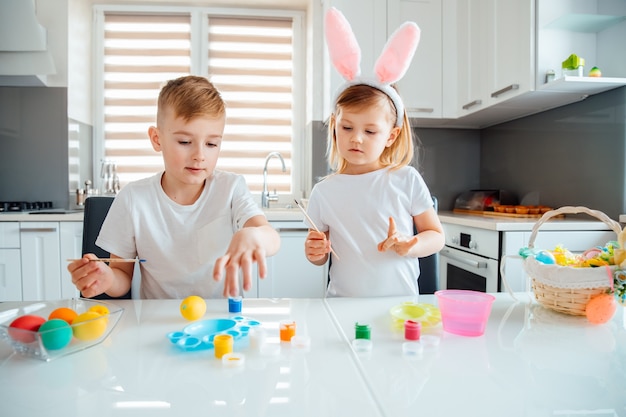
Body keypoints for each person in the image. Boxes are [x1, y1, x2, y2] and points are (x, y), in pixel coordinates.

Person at [68, 75, 280, 299]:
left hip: (222, 323)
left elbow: (270, 237)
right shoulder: (133, 199)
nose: (199, 155)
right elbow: (121, 275)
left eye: (211, 144)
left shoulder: (231, 188)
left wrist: (254, 236)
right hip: (158, 321)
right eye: (185, 142)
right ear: (157, 139)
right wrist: (107, 279)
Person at [303, 8, 444, 297]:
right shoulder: (323, 192)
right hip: (342, 306)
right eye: (346, 128)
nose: (356, 139)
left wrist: (411, 243)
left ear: (391, 136)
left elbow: (436, 236)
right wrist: (314, 251)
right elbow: (318, 255)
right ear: (334, 127)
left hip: (400, 307)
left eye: (369, 131)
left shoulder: (406, 179)